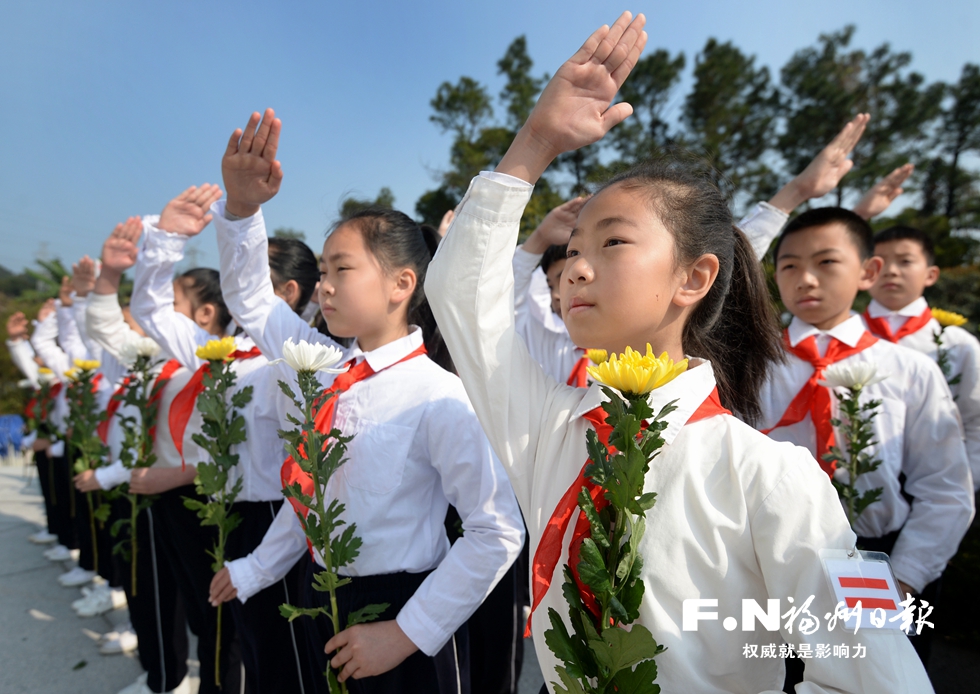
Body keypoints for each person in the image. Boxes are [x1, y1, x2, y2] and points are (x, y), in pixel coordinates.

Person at [426, 12, 932, 692]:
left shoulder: (778, 474)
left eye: (611, 243)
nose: (574, 268)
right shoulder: (552, 428)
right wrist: (534, 145)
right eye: (572, 251)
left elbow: (883, 675)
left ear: (694, 277)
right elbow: (461, 296)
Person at [202, 107, 524, 693]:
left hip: (404, 608)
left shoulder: (440, 396)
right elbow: (250, 300)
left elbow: (496, 531)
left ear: (402, 283)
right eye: (322, 270)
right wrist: (242, 209)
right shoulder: (320, 363)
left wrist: (404, 632)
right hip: (322, 594)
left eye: (341, 268)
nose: (323, 284)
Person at [759, 206, 975, 669]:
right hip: (776, 560)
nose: (806, 279)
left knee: (877, 673)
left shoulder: (910, 370)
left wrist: (905, 578)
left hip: (880, 561)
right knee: (779, 672)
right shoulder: (752, 366)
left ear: (867, 271)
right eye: (790, 265)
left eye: (826, 262)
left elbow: (945, 486)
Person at [131, 185, 315, 694]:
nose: (236, 284)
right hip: (225, 514)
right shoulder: (220, 352)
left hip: (282, 521)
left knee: (286, 658)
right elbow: (149, 310)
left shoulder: (300, 358)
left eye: (253, 275)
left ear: (287, 294)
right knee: (245, 643)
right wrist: (165, 238)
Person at [83, 217, 199, 694]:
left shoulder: (199, 363)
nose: (151, 316)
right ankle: (163, 677)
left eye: (170, 306)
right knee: (152, 589)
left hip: (185, 491)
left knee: (185, 604)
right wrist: (108, 277)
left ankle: (172, 679)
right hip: (148, 487)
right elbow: (105, 328)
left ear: (204, 316)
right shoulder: (153, 362)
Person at [864, 225, 980, 492]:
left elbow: (975, 421)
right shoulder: (839, 341)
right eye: (879, 262)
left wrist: (961, 486)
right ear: (865, 272)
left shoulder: (958, 344)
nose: (891, 271)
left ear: (931, 274)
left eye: (905, 261)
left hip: (937, 482)